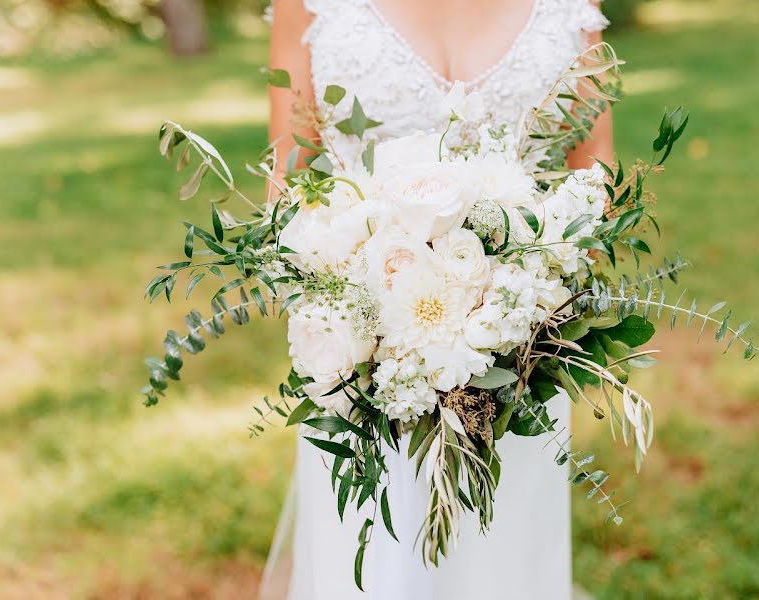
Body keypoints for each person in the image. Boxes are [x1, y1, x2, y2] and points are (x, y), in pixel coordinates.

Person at [261, 1, 613, 598]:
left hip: (518, 362)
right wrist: (357, 305)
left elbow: (594, 171)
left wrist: (530, 295)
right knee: (372, 569)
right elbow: (290, 179)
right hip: (365, 365)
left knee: (503, 566)